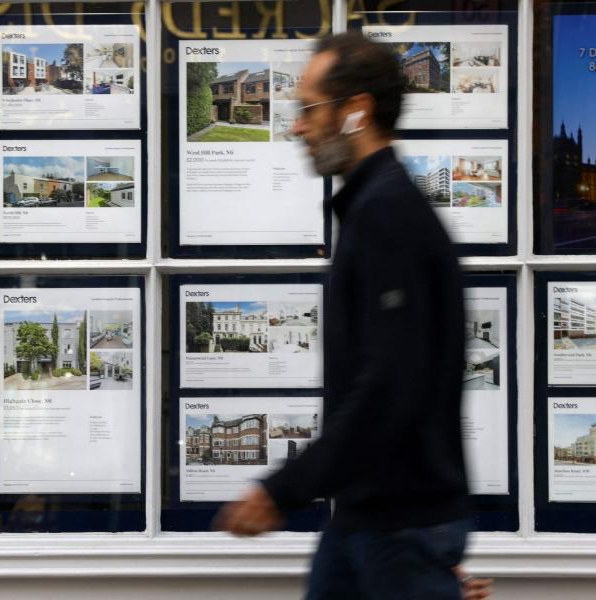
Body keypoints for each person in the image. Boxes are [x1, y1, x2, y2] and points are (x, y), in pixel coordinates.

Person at [214, 31, 471, 599]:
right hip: (369, 519)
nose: (296, 127)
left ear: (356, 112)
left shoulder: (388, 216)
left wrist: (281, 490)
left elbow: (389, 385)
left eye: (307, 109)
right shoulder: (373, 209)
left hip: (400, 530)